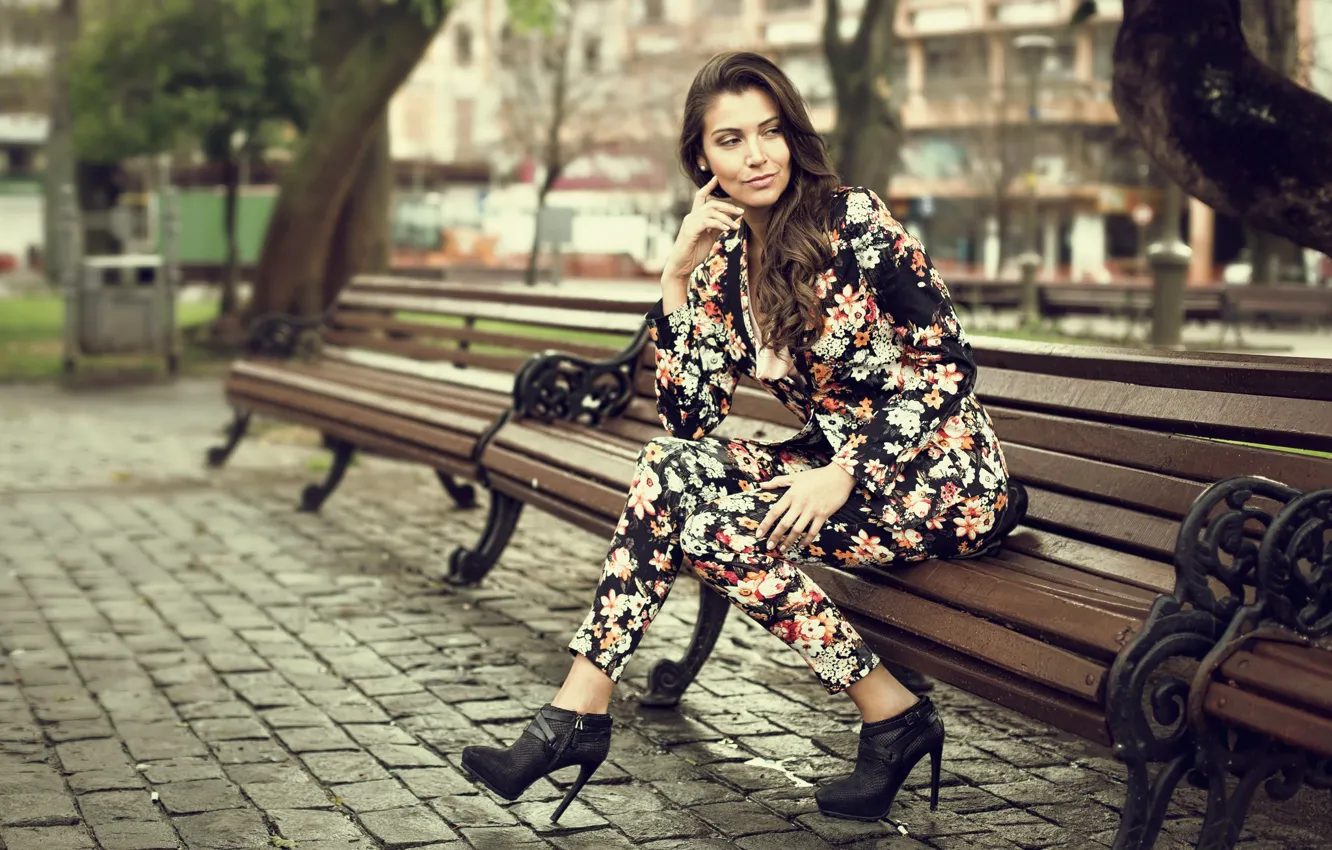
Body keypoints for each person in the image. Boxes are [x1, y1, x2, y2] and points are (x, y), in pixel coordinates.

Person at [461, 51, 1025, 824]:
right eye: (731, 140)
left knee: (719, 530)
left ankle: (889, 712)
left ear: (792, 135)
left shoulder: (852, 220)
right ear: (701, 158)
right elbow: (687, 421)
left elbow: (945, 367)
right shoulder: (723, 264)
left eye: (770, 132)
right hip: (835, 461)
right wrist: (673, 279)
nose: (757, 155)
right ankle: (580, 707)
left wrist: (845, 474)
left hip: (943, 474)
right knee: (669, 467)